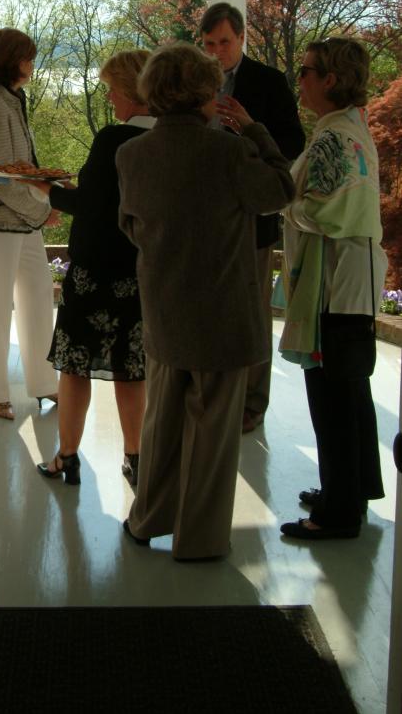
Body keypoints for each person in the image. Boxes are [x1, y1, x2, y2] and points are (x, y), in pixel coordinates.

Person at [117, 44, 294, 560]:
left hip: (165, 309)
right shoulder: (231, 152)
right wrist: (256, 129)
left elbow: (130, 227)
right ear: (207, 93)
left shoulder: (130, 155)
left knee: (161, 425)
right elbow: (281, 189)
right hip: (224, 316)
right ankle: (200, 540)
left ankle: (147, 519)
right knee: (213, 437)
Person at [278, 37, 386, 540]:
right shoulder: (353, 130)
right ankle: (352, 488)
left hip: (333, 281)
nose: (299, 78)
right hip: (354, 276)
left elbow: (322, 210)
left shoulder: (331, 140)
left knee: (333, 396)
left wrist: (282, 204)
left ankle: (337, 514)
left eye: (307, 71)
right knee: (352, 389)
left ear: (331, 80)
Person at [34, 50, 154, 487]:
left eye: (111, 89)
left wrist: (46, 187)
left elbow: (89, 206)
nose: (109, 97)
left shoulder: (113, 139)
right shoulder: (166, 139)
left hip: (94, 272)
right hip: (140, 271)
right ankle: (136, 457)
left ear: (128, 90)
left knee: (75, 366)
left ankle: (66, 458)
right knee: (131, 368)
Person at [200, 2, 305, 433]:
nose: (217, 52)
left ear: (242, 37)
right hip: (205, 218)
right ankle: (214, 393)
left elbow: (292, 142)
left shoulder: (267, 82)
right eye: (209, 44)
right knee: (209, 307)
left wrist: (249, 129)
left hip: (254, 215)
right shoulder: (196, 81)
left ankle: (252, 403)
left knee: (254, 311)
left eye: (224, 42)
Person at [0, 28, 59, 419]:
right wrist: (43, 210)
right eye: (28, 58)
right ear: (13, 61)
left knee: (38, 298)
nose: (31, 65)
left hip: (22, 221)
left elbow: (21, 168)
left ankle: (44, 384)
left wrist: (48, 187)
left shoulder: (10, 100)